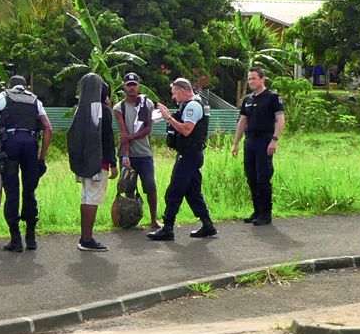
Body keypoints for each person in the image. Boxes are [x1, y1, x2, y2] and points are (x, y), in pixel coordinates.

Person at [0, 74, 52, 253]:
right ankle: (31, 238)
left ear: (10, 85)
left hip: (10, 146)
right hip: (30, 146)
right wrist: (41, 158)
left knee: (12, 193)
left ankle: (15, 240)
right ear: (25, 86)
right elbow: (48, 128)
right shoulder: (35, 100)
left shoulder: (1, 97)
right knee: (29, 191)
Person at [146, 77, 218, 241]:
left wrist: (169, 118)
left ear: (182, 90)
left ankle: (168, 228)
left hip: (189, 155)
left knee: (174, 191)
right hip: (191, 154)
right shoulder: (189, 105)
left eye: (174, 93)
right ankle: (208, 225)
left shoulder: (193, 105)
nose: (173, 97)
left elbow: (186, 130)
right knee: (192, 192)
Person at [66, 71, 116, 250]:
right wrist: (113, 164)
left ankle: (84, 237)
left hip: (83, 162)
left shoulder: (81, 109)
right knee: (93, 199)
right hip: (98, 162)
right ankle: (87, 239)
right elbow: (108, 139)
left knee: (86, 197)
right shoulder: (103, 111)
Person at [231, 67, 285, 226]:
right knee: (251, 177)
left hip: (265, 140)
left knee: (263, 178)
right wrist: (236, 143)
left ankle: (266, 214)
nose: (251, 82)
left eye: (254, 78)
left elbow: (280, 120)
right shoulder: (247, 99)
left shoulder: (273, 97)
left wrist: (274, 140)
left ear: (262, 79)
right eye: (249, 79)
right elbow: (242, 121)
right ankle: (257, 210)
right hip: (250, 141)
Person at [115, 71, 159, 231]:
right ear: (124, 87)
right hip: (128, 154)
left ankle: (154, 219)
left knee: (150, 186)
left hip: (144, 153)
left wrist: (130, 137)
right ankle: (130, 218)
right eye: (129, 85)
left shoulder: (147, 104)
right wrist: (125, 156)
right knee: (129, 188)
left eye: (134, 85)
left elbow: (148, 128)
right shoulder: (119, 107)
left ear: (138, 86)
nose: (132, 88)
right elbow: (122, 132)